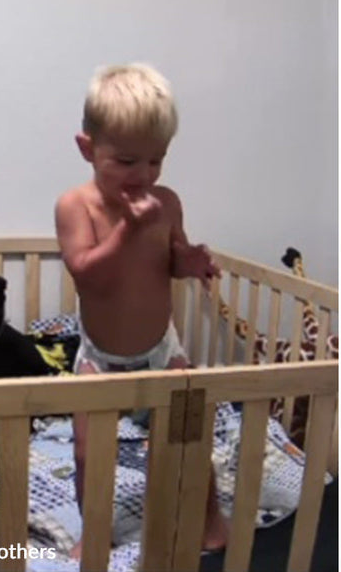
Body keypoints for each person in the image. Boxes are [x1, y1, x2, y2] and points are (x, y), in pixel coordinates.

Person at [54, 62, 227, 557]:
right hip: (98, 358)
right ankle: (95, 533)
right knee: (89, 451)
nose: (144, 176)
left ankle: (210, 516)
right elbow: (88, 273)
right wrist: (127, 231)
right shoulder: (76, 207)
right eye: (127, 161)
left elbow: (167, 258)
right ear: (89, 149)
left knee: (193, 438)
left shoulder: (166, 203)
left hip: (161, 350)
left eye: (156, 161)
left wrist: (187, 261)